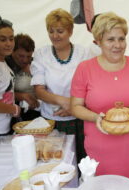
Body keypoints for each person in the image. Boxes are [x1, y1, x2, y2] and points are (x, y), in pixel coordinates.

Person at [70, 12, 129, 181]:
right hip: (99, 144)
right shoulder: (85, 69)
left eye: (121, 38)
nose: (117, 45)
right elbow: (75, 107)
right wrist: (96, 117)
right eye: (110, 39)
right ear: (98, 42)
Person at [30, 8, 89, 162]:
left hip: (79, 119)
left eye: (60, 31)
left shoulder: (84, 53)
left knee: (82, 161)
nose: (55, 36)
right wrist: (66, 102)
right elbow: (39, 91)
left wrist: (75, 108)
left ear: (70, 31)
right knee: (54, 162)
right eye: (51, 31)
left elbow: (91, 86)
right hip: (52, 120)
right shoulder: (42, 54)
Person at [5, 33, 40, 121]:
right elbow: (0, 94)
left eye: (29, 56)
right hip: (16, 114)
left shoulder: (35, 63)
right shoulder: (5, 64)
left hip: (39, 111)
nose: (25, 60)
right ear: (12, 51)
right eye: (21, 56)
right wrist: (22, 96)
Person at [0, 15, 21, 136]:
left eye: (11, 39)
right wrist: (13, 109)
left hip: (3, 129)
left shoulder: (3, 61)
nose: (8, 43)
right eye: (2, 39)